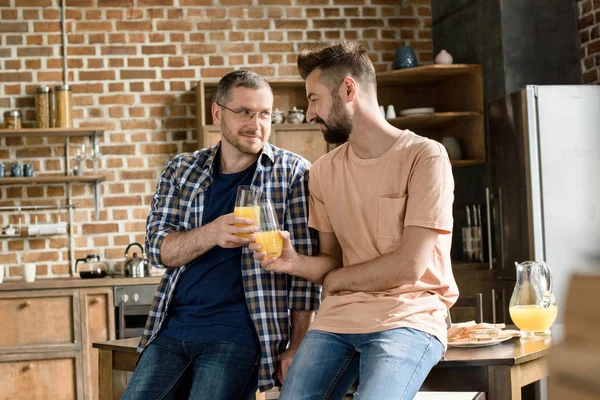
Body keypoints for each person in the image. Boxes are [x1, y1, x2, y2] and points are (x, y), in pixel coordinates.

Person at [250, 42, 458, 399]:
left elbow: (409, 266)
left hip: (409, 317)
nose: (310, 113)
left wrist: (337, 280)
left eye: (314, 99)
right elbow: (334, 260)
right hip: (338, 319)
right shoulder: (324, 172)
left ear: (348, 89)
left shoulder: (425, 157)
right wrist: (295, 263)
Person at [122, 70, 320, 400]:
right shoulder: (181, 170)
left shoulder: (294, 173)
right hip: (172, 329)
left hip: (240, 334)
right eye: (244, 112)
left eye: (264, 114)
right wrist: (212, 233)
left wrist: (297, 345)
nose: (255, 124)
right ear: (218, 113)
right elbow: (158, 249)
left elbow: (304, 275)